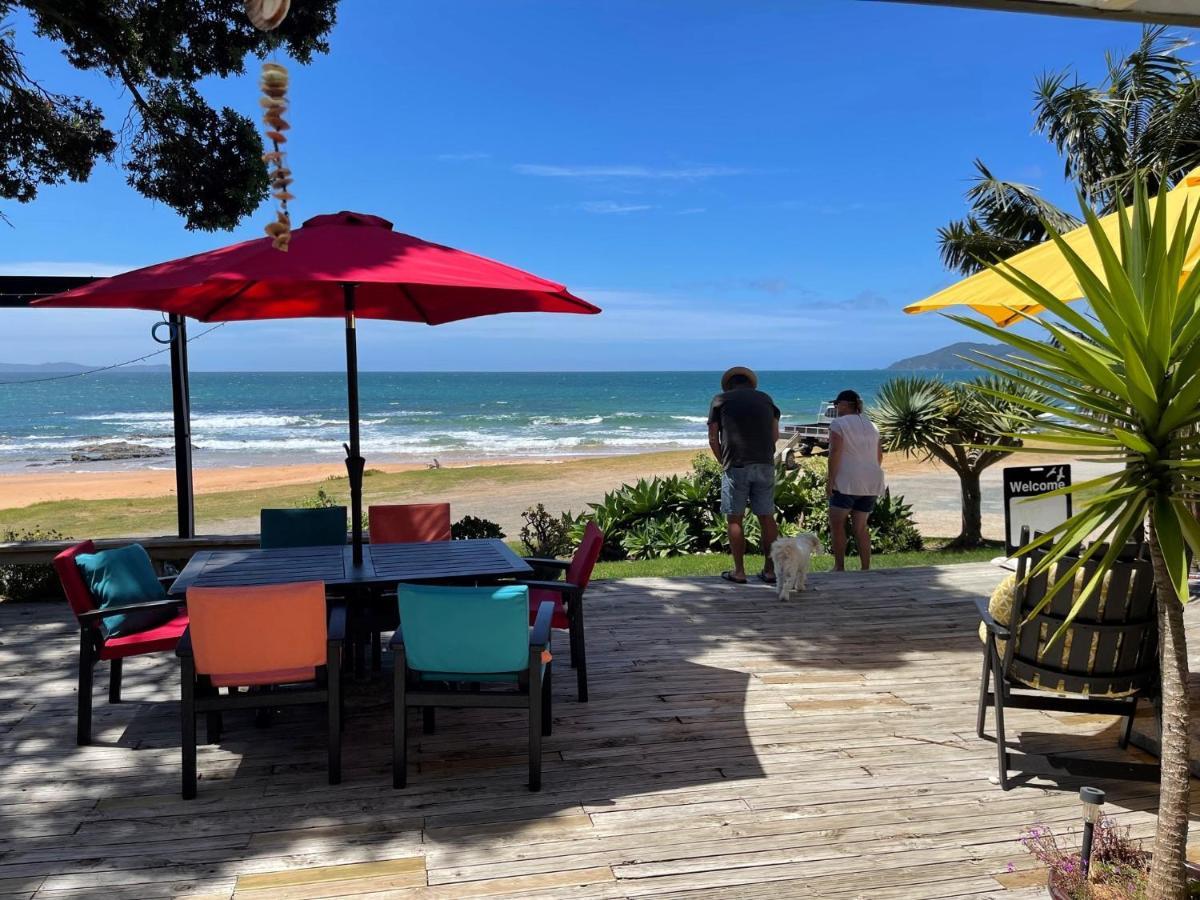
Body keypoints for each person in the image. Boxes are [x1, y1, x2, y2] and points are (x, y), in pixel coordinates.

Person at [707, 366, 780, 585]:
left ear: (729, 385)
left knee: (735, 518)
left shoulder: (720, 400)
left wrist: (723, 461)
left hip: (736, 464)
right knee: (766, 517)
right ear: (751, 384)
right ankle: (769, 571)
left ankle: (739, 571)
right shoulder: (766, 400)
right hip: (765, 463)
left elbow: (713, 437)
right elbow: (774, 435)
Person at [826, 389, 885, 571]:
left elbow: (835, 453)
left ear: (845, 404)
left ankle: (839, 566)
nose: (835, 407)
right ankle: (865, 567)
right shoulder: (872, 425)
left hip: (847, 481)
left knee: (837, 524)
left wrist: (830, 480)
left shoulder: (838, 424)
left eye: (837, 404)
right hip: (871, 482)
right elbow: (879, 456)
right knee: (861, 527)